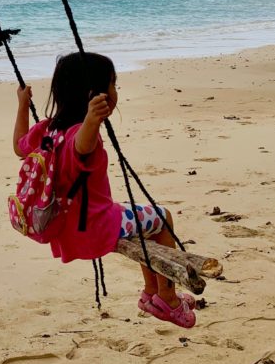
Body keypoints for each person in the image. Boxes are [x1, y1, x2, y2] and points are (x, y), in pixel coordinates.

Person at [12, 52, 196, 328]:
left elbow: (18, 147)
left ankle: (150, 293)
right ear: (94, 96)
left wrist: (22, 105)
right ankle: (167, 298)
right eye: (113, 84)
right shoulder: (81, 135)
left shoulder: (47, 131)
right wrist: (91, 120)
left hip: (67, 228)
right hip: (95, 228)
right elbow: (81, 148)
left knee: (141, 224)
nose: (115, 91)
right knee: (163, 218)